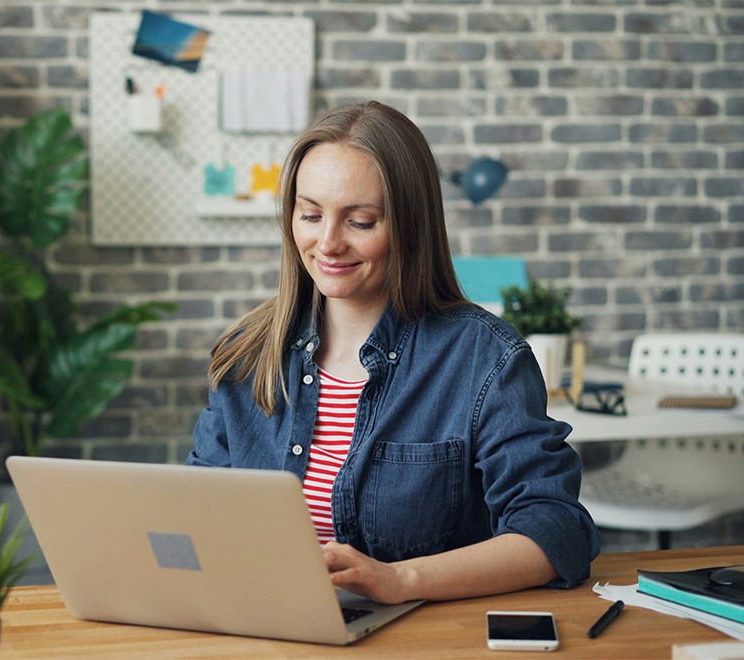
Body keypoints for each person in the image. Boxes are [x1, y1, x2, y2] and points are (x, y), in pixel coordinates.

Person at [188, 100, 599, 605]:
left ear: (409, 227)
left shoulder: (484, 359)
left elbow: (556, 529)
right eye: (311, 215)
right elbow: (198, 513)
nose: (328, 243)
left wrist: (400, 580)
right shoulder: (247, 357)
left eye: (360, 222)